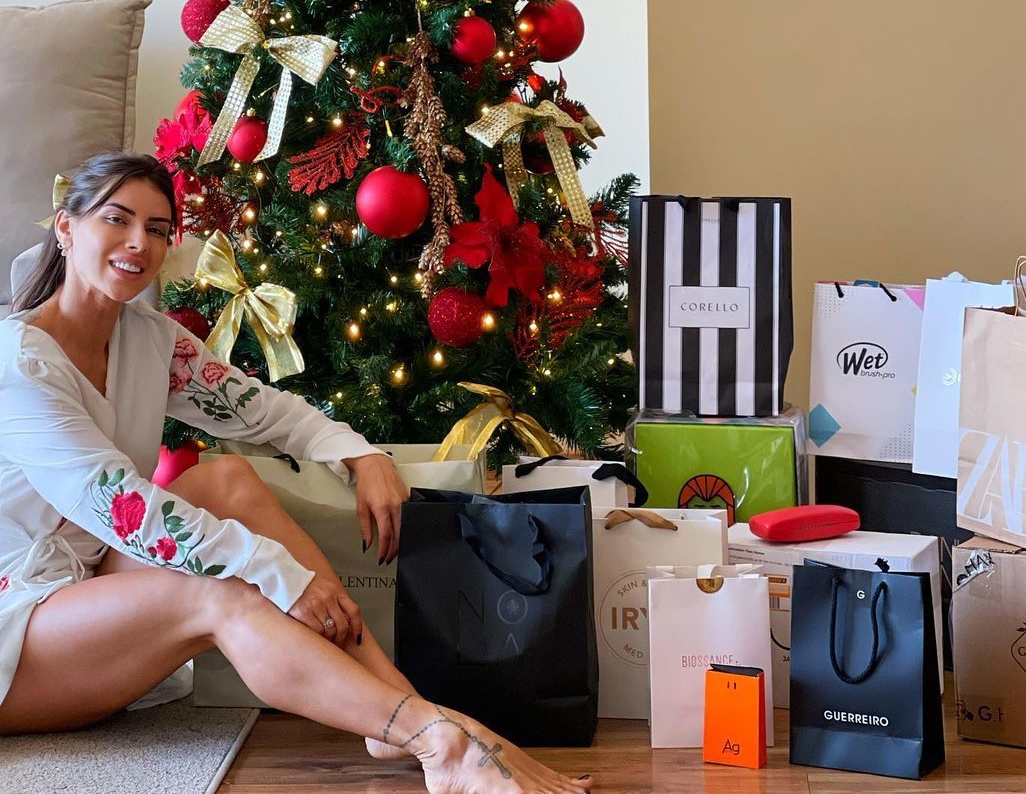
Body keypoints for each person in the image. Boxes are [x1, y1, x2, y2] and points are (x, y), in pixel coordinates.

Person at [0, 151, 591, 793]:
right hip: (17, 629)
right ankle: (437, 741)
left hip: (85, 590)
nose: (139, 242)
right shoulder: (20, 365)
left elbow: (263, 411)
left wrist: (360, 454)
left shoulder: (149, 340)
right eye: (117, 219)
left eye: (158, 228)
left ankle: (400, 708)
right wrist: (273, 569)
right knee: (222, 591)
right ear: (67, 227)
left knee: (226, 481)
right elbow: (118, 506)